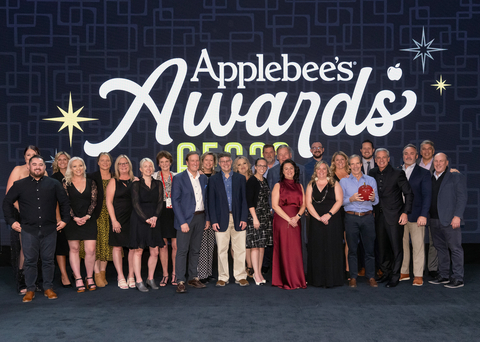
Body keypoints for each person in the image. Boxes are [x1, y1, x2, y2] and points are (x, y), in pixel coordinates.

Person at [3, 155, 70, 302]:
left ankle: (48, 287)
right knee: (30, 261)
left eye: (40, 164)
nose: (37, 167)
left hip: (49, 229)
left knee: (48, 261)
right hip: (28, 230)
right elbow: (7, 202)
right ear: (29, 167)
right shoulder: (19, 185)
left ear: (44, 167)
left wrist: (65, 220)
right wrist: (11, 221)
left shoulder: (54, 184)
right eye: (34, 164)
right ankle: (30, 289)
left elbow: (64, 202)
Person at [369, 148, 413, 288]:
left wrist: (405, 212)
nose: (381, 160)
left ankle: (395, 276)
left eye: (384, 157)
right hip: (378, 217)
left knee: (396, 248)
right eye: (378, 158)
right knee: (381, 248)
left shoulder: (398, 173)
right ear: (375, 160)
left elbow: (409, 194)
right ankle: (386, 273)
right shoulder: (372, 173)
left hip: (394, 217)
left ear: (388, 159)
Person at [6, 145, 44, 295]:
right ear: (24, 157)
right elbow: (9, 195)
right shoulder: (17, 170)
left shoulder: (43, 172)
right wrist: (23, 210)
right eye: (28, 155)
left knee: (39, 248)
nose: (31, 157)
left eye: (34, 154)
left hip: (39, 216)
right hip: (21, 215)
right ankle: (22, 282)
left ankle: (36, 281)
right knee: (25, 249)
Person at [208, 152, 249, 287]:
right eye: (222, 161)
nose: (225, 163)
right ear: (219, 164)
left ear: (231, 162)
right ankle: (223, 277)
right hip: (220, 219)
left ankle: (240, 276)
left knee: (240, 249)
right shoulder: (213, 180)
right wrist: (213, 220)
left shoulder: (240, 178)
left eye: (227, 161)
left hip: (238, 218)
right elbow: (211, 202)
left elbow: (244, 200)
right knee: (221, 249)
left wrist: (244, 218)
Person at [171, 151, 209, 293]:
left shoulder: (203, 179)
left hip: (200, 218)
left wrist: (208, 219)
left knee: (195, 250)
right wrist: (182, 222)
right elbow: (175, 201)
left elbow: (206, 200)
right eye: (192, 160)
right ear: (186, 162)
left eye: (197, 160)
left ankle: (193, 277)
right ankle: (180, 280)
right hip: (185, 220)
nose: (195, 163)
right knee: (182, 250)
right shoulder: (179, 178)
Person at [428, 153, 467, 288]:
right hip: (434, 220)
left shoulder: (455, 176)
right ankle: (444, 275)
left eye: (441, 161)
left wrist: (458, 216)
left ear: (447, 163)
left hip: (450, 220)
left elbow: (462, 197)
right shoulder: (431, 177)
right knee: (440, 249)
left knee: (455, 248)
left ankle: (458, 278)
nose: (438, 163)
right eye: (436, 161)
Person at [340, 155, 379, 288]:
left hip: (367, 217)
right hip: (351, 217)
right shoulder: (343, 182)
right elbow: (340, 202)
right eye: (352, 164)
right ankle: (353, 277)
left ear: (361, 164)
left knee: (369, 249)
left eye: (358, 163)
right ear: (349, 166)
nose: (355, 166)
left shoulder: (371, 180)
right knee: (352, 249)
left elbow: (377, 201)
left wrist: (373, 198)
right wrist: (350, 199)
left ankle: (371, 276)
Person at [305, 161, 344, 287]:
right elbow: (308, 203)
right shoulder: (311, 184)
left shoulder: (335, 183)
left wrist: (329, 215)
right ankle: (317, 280)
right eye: (318, 169)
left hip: (332, 221)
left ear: (328, 170)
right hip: (316, 222)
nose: (321, 171)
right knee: (317, 249)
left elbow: (339, 201)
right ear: (315, 171)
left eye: (323, 169)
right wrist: (318, 218)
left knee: (332, 248)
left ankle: (333, 279)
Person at [62, 157, 98, 292]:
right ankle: (78, 278)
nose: (78, 168)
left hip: (89, 219)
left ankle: (89, 277)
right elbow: (65, 202)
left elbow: (94, 201)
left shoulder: (91, 182)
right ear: (70, 168)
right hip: (72, 220)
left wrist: (87, 216)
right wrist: (74, 217)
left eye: (80, 165)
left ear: (84, 167)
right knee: (74, 249)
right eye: (75, 166)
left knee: (90, 250)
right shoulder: (65, 183)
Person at [271, 159, 307, 290]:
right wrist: (289, 219)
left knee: (295, 250)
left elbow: (304, 204)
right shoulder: (278, 185)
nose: (289, 171)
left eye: (291, 168)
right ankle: (286, 280)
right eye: (286, 168)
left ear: (295, 170)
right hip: (282, 220)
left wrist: (297, 217)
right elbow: (275, 206)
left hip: (296, 220)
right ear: (282, 171)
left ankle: (297, 280)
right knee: (284, 249)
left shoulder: (300, 186)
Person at [129, 158, 164, 292]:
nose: (148, 168)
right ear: (140, 169)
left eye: (150, 166)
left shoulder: (158, 183)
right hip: (139, 219)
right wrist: (146, 219)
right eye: (145, 166)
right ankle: (138, 280)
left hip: (155, 219)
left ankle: (150, 278)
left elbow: (161, 202)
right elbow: (135, 204)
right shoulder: (136, 184)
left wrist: (155, 217)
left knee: (154, 251)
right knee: (138, 251)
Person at [399, 144, 432, 286]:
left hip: (417, 216)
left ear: (416, 156)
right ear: (403, 155)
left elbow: (427, 196)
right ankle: (404, 271)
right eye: (406, 153)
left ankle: (418, 274)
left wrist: (424, 214)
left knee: (418, 246)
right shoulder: (397, 171)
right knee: (402, 245)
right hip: (399, 216)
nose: (408, 156)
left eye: (411, 153)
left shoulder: (423, 173)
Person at [106, 155, 136, 290]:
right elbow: (109, 202)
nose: (123, 166)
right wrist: (114, 220)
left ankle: (131, 275)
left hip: (133, 219)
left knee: (132, 248)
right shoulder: (113, 181)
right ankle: (120, 276)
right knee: (117, 247)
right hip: (118, 219)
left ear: (129, 165)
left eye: (126, 163)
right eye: (120, 164)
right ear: (117, 166)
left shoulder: (136, 180)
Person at [85, 152, 113, 288]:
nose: (105, 162)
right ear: (98, 162)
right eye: (102, 160)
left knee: (107, 245)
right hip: (95, 215)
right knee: (94, 246)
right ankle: (95, 273)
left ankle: (102, 272)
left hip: (110, 216)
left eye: (107, 160)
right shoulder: (91, 177)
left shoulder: (115, 176)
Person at [246, 158, 273, 285]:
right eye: (260, 166)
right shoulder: (252, 181)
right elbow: (250, 202)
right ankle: (256, 274)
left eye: (264, 166)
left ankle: (260, 272)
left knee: (262, 246)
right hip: (255, 216)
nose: (262, 168)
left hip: (265, 216)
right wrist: (255, 218)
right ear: (255, 167)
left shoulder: (265, 180)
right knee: (255, 247)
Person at [153, 151, 178, 287]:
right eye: (161, 162)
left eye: (166, 161)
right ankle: (165, 274)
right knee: (162, 246)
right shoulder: (153, 177)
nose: (164, 164)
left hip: (175, 212)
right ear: (158, 164)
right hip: (160, 212)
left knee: (175, 245)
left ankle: (174, 274)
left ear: (170, 162)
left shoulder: (177, 176)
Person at [416, 139, 438, 278]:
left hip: (434, 207)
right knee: (418, 242)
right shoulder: (413, 166)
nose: (426, 151)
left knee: (433, 240)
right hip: (418, 208)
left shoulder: (439, 165)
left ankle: (432, 268)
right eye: (424, 149)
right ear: (420, 152)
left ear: (433, 151)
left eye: (429, 148)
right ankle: (419, 268)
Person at [330, 151, 353, 278]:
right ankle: (337, 269)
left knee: (349, 241)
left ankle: (348, 270)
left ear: (346, 161)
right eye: (337, 160)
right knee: (336, 241)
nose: (340, 162)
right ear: (333, 162)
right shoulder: (330, 176)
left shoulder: (352, 175)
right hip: (335, 212)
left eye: (342, 159)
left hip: (349, 211)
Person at [51, 151, 72, 288]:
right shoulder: (54, 179)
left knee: (74, 247)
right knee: (61, 247)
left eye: (65, 159)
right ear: (56, 162)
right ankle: (64, 275)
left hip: (75, 216)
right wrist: (59, 218)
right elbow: (54, 201)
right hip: (60, 217)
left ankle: (76, 274)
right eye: (60, 160)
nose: (63, 162)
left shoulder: (75, 175)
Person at [198, 152, 217, 284]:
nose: (208, 163)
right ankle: (201, 274)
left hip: (215, 213)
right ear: (202, 161)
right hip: (202, 214)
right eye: (206, 160)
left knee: (211, 244)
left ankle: (209, 272)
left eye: (211, 160)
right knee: (203, 245)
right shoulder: (198, 175)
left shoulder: (217, 176)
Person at [234, 156, 254, 277]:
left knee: (250, 242)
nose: (242, 166)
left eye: (244, 163)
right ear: (236, 167)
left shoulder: (254, 179)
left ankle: (251, 267)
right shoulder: (234, 179)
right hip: (239, 214)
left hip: (253, 215)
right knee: (239, 243)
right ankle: (243, 268)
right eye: (239, 164)